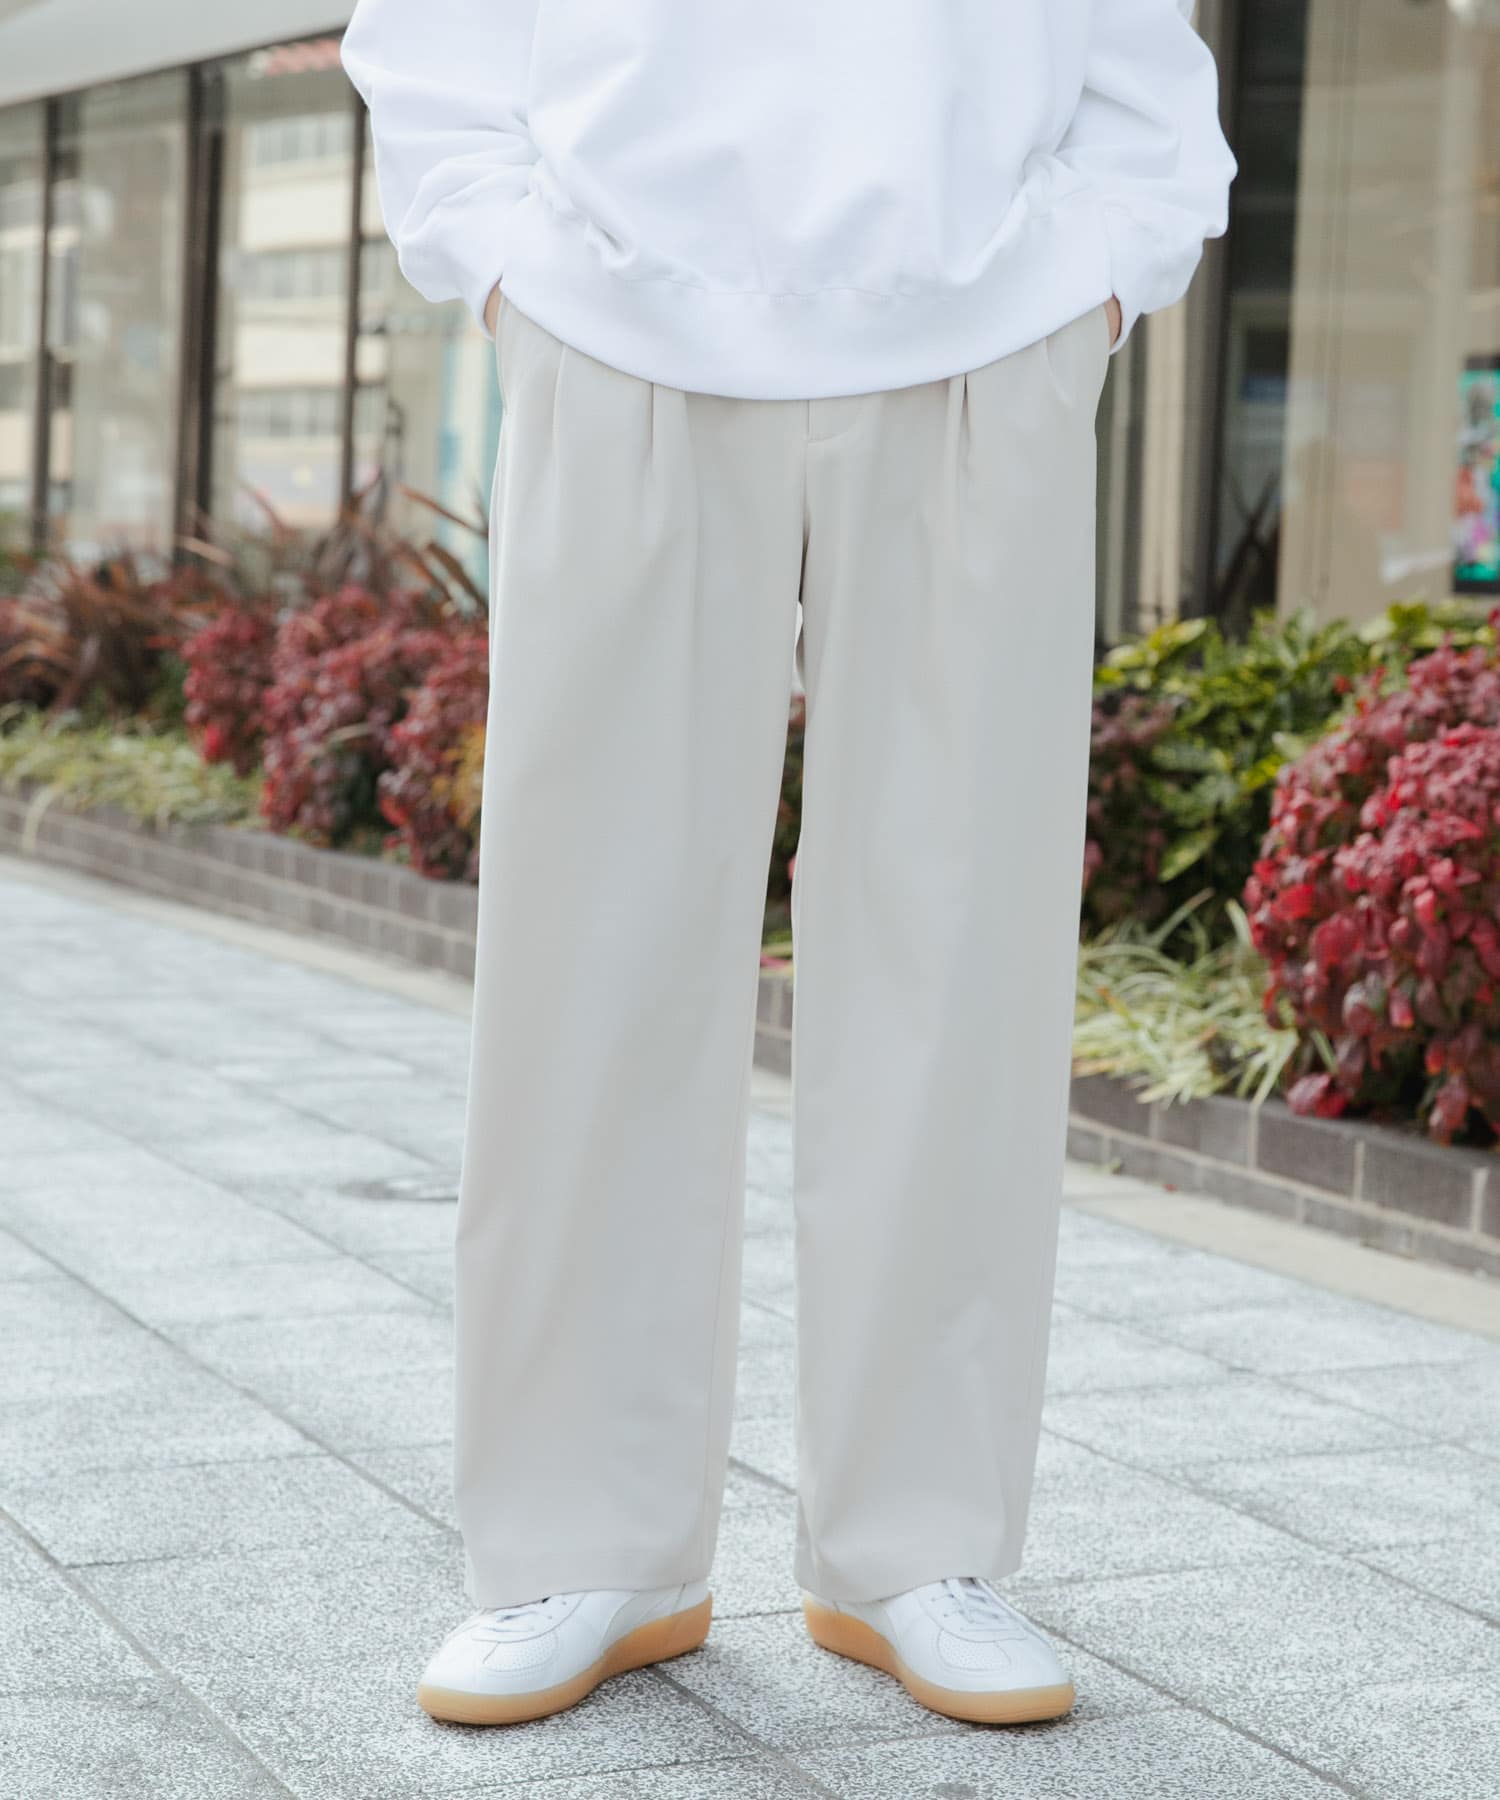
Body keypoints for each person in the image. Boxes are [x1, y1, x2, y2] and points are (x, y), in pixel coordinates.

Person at [342, 0, 1235, 1730]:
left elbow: (1141, 50)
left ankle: (919, 1545)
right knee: (588, 954)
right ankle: (582, 1543)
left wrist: (1102, 272)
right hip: (615, 311)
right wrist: (509, 260)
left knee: (959, 955)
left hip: (991, 321)